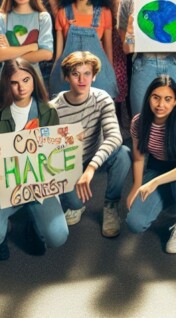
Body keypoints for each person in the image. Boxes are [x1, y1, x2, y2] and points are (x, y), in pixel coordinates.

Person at [0, 58, 69, 260]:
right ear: (6, 84)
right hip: (4, 189)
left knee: (57, 236)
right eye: (14, 82)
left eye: (26, 80)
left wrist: (66, 144)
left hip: (38, 186)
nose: (21, 87)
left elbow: (55, 157)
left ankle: (33, 224)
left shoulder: (48, 111)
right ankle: (2, 234)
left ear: (34, 80)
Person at [51, 51, 130, 238]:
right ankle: (75, 205)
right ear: (66, 77)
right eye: (75, 74)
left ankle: (111, 205)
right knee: (75, 203)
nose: (82, 79)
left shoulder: (102, 98)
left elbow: (114, 137)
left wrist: (91, 168)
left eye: (87, 73)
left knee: (123, 154)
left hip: (95, 157)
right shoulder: (53, 108)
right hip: (69, 164)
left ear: (94, 76)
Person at [125, 75, 176, 254]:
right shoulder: (138, 121)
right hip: (157, 169)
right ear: (148, 98)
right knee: (134, 223)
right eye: (156, 97)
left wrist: (155, 183)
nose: (161, 105)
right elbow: (138, 158)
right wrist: (136, 186)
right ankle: (174, 198)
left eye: (168, 99)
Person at [47, 0, 120, 98]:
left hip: (98, 77)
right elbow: (58, 55)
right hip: (69, 79)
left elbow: (108, 52)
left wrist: (110, 77)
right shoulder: (63, 13)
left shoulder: (104, 12)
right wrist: (54, 80)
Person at [0, 0, 54, 84]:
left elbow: (47, 53)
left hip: (33, 79)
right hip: (6, 80)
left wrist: (9, 53)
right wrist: (32, 47)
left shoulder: (43, 18)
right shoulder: (2, 17)